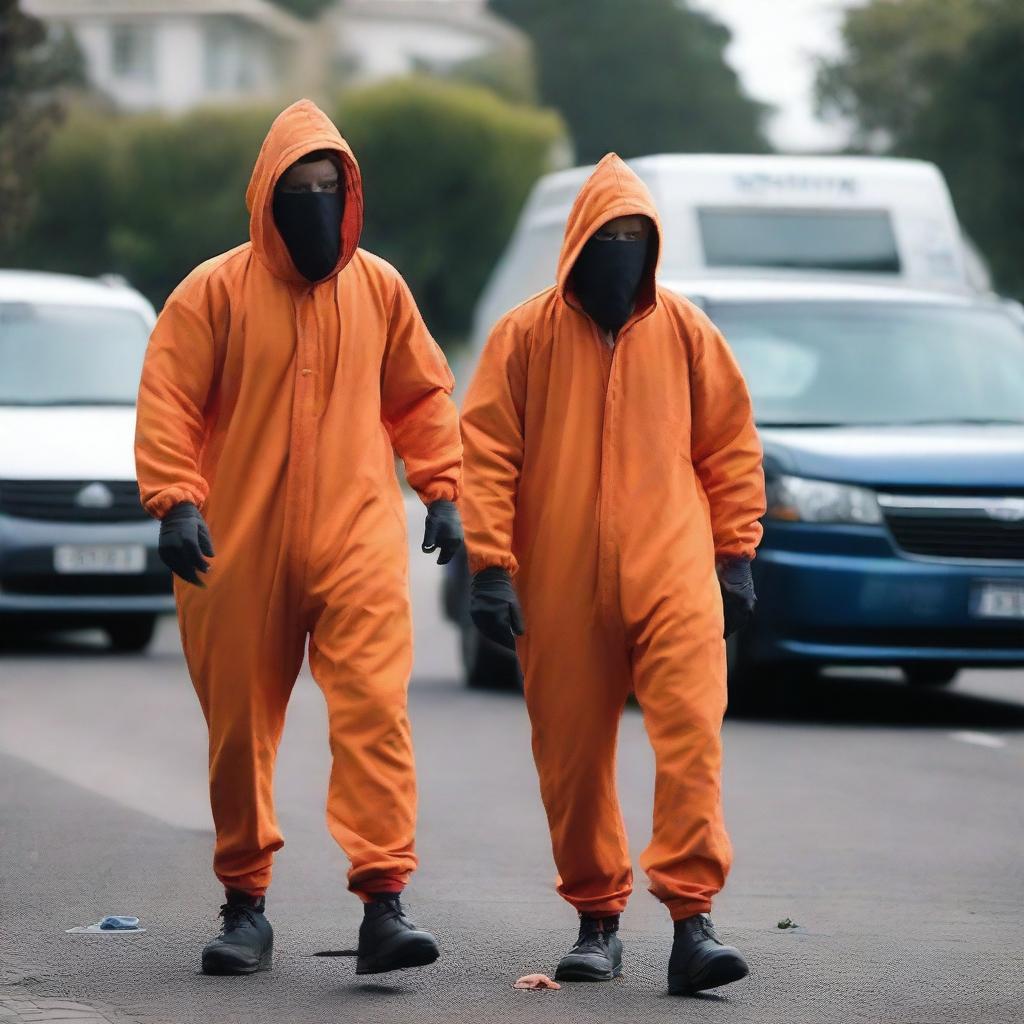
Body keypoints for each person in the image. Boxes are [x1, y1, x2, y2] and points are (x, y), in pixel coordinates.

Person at [135, 99, 463, 977]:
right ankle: (245, 907)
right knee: (239, 730)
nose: (316, 202)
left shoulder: (381, 289)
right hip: (233, 546)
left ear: (351, 194)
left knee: (373, 714)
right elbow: (168, 398)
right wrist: (177, 502)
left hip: (354, 536)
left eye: (330, 186)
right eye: (299, 187)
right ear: (266, 195)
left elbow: (422, 395)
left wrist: (444, 489)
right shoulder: (212, 292)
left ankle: (384, 903)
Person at [460, 154, 765, 996]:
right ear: (577, 243)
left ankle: (692, 922)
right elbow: (484, 454)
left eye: (637, 236)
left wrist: (735, 553)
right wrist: (491, 565)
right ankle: (597, 920)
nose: (622, 250)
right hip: (557, 582)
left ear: (655, 245)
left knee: (691, 738)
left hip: (673, 570)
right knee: (572, 756)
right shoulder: (524, 336)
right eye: (609, 236)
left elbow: (730, 447)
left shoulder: (687, 332)